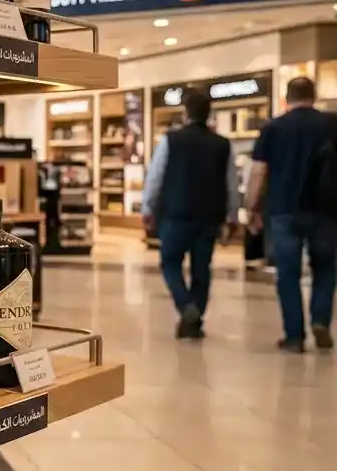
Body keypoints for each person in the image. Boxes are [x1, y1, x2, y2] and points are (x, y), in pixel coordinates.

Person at [247, 77, 337, 353]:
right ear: (314, 96)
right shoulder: (332, 124)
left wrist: (251, 207)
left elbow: (259, 171)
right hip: (326, 209)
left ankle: (294, 335)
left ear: (287, 98)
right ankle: (320, 320)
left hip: (284, 209)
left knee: (287, 272)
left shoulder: (273, 128)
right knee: (325, 267)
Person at [142, 90, 240, 339]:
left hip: (175, 214)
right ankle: (194, 322)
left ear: (185, 113)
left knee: (170, 262)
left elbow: (155, 176)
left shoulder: (170, 140)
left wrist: (147, 208)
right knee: (201, 268)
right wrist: (232, 215)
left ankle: (186, 306)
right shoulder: (223, 144)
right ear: (209, 114)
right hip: (209, 217)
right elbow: (231, 183)